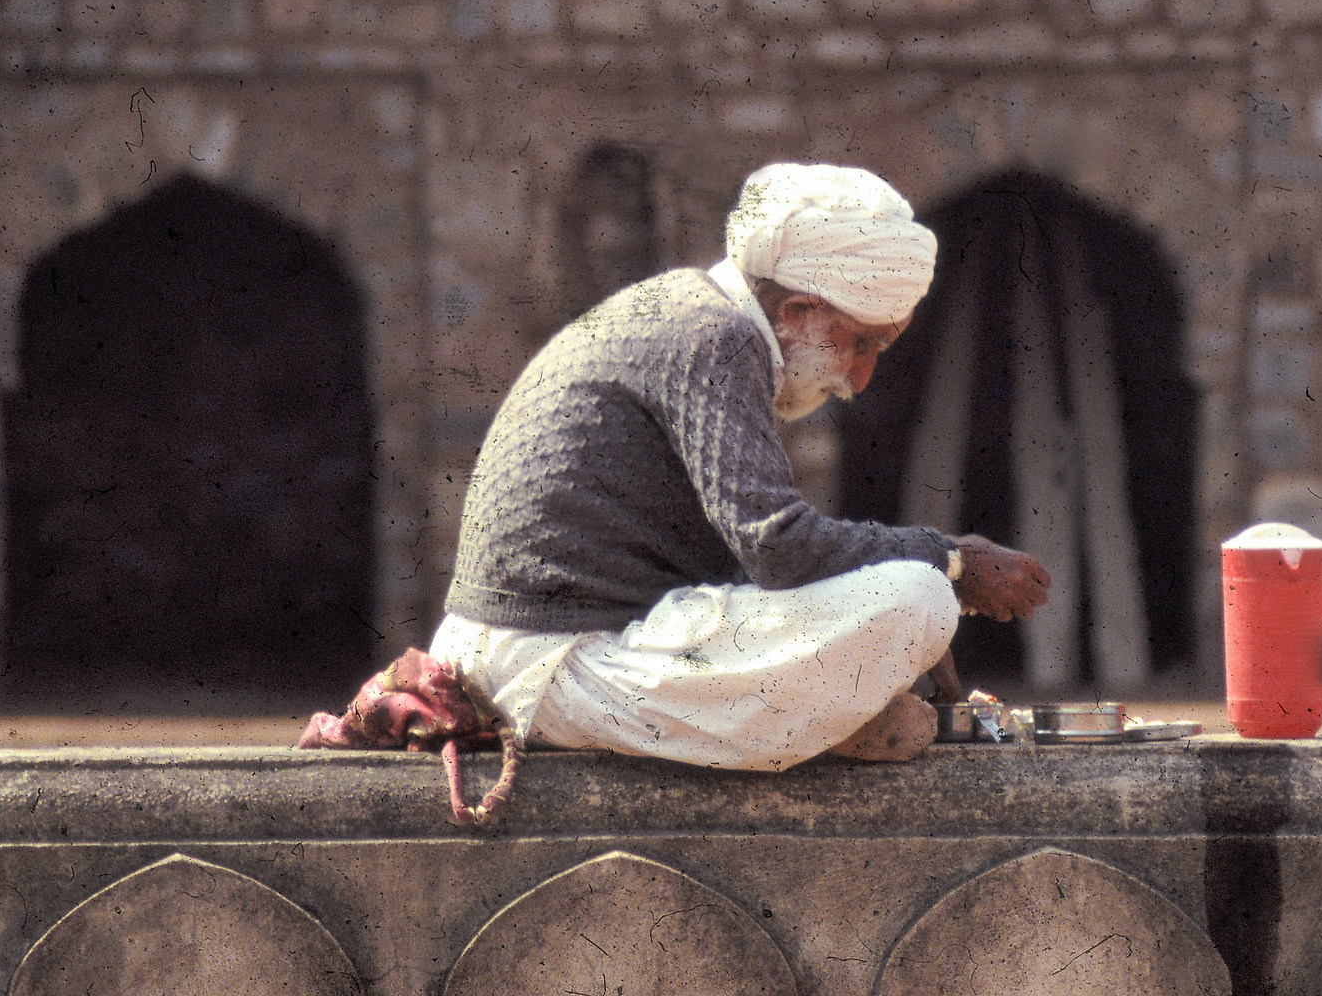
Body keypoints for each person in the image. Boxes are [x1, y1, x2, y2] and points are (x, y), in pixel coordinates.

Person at [430, 162, 1051, 771]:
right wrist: (948, 559)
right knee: (917, 596)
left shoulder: (699, 316)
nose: (859, 378)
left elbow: (747, 559)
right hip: (551, 668)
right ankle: (823, 723)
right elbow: (777, 547)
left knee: (910, 593)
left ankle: (831, 717)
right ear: (798, 311)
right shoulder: (717, 337)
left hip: (549, 655)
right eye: (861, 343)